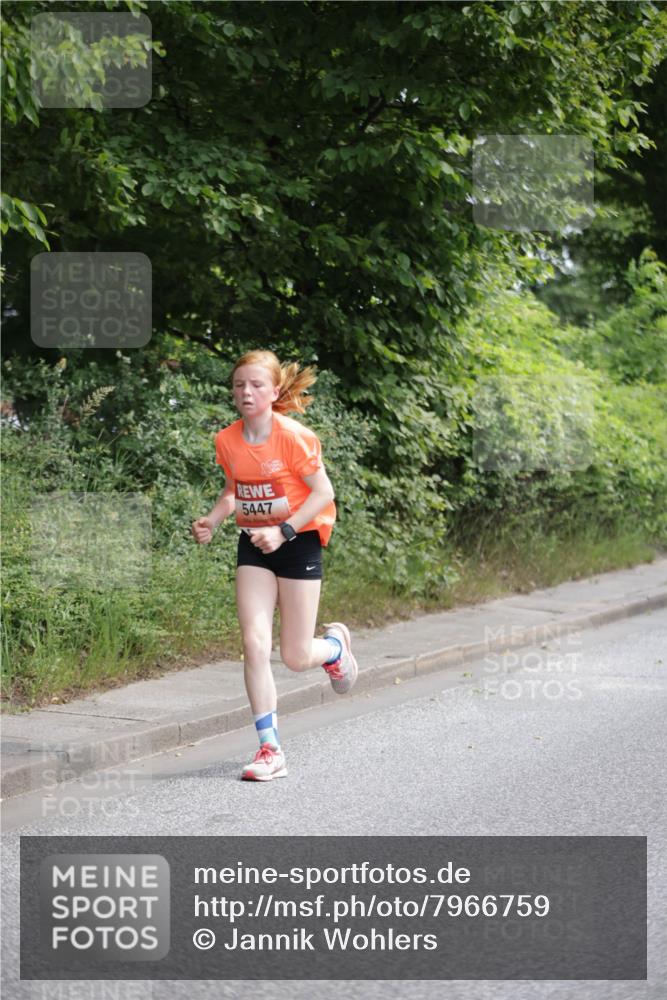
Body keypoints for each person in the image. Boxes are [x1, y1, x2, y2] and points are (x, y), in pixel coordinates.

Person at [191, 349, 358, 782]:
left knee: (297, 656)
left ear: (274, 390)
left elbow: (324, 493)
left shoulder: (293, 436)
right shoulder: (227, 440)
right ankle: (270, 748)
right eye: (239, 385)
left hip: (298, 542)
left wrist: (283, 530)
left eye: (256, 385)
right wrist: (214, 518)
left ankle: (335, 649)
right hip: (253, 546)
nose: (246, 392)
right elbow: (233, 491)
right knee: (253, 643)